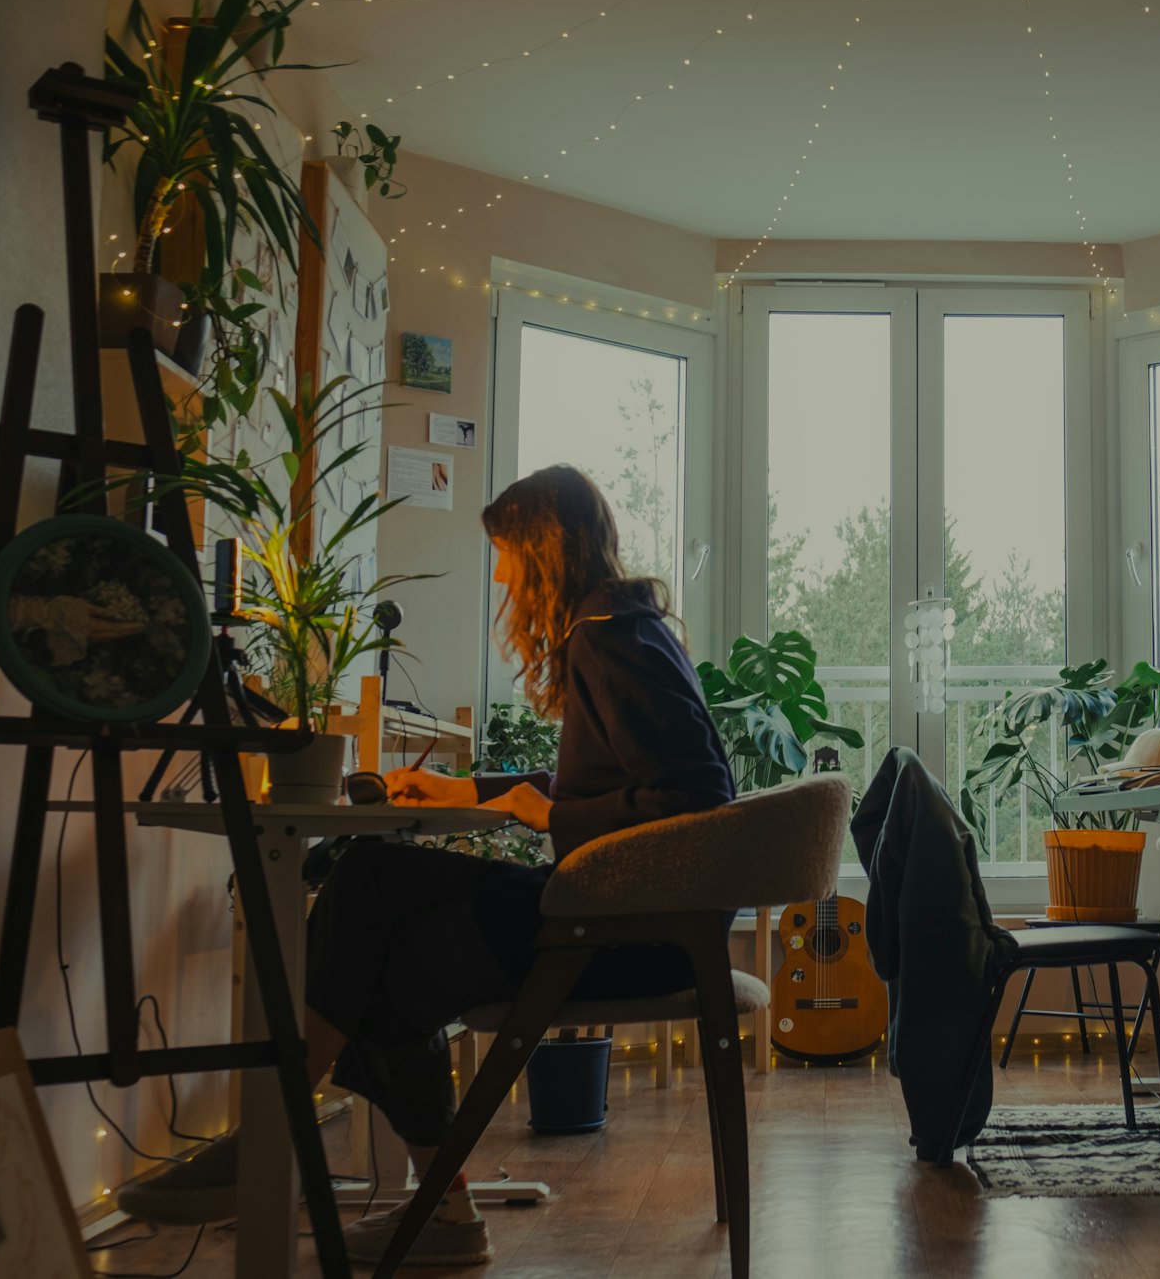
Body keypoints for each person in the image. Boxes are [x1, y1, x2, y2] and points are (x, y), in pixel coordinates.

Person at [120, 466, 735, 1266]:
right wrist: (477, 789)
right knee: (379, 963)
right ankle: (439, 1214)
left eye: (510, 555)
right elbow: (621, 782)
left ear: (546, 550)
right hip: (621, 911)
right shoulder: (619, 625)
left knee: (369, 881)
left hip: (629, 928)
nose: (505, 576)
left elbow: (697, 795)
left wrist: (541, 811)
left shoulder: (608, 633)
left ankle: (273, 1135)